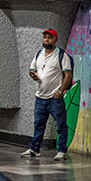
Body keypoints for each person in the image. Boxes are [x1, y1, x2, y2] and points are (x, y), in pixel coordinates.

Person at [20, 28, 73, 161]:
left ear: (55, 39)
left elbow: (68, 75)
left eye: (49, 37)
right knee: (38, 123)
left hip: (54, 97)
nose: (46, 40)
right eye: (45, 37)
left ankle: (61, 150)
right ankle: (34, 149)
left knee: (61, 124)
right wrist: (33, 75)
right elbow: (32, 69)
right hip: (40, 96)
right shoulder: (39, 54)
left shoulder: (61, 55)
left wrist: (60, 90)